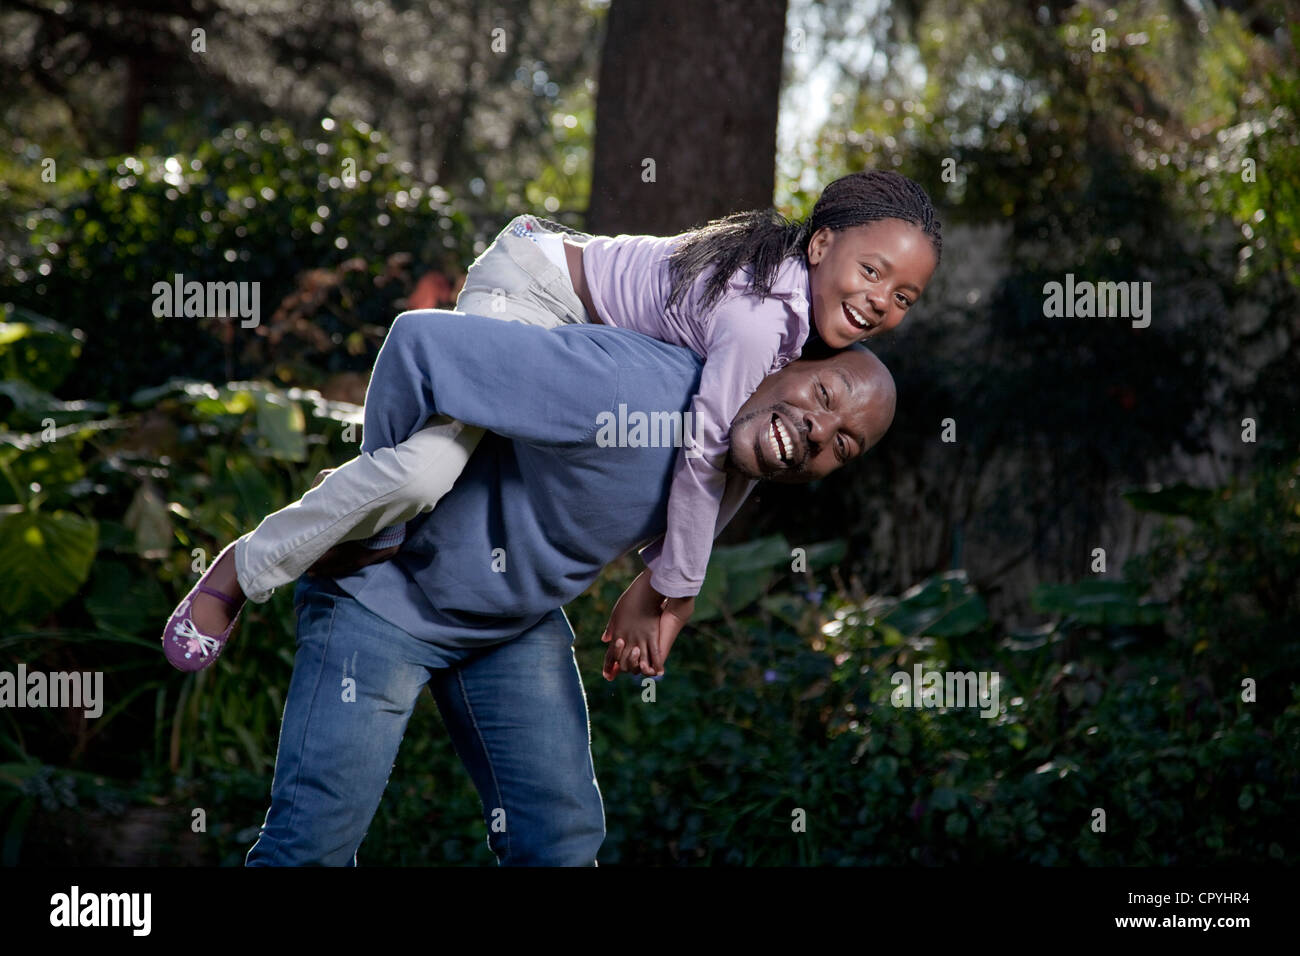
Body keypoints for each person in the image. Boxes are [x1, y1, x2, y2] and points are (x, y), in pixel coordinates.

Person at [162, 169, 940, 675]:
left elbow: (740, 451)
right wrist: (675, 585)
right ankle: (244, 569)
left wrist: (664, 578)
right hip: (533, 284)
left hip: (570, 316)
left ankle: (380, 519)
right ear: (824, 240)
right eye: (873, 272)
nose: (881, 300)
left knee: (456, 474)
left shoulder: (799, 336)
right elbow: (708, 448)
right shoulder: (758, 315)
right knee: (427, 471)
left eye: (903, 297)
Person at [240, 308, 897, 865]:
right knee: (312, 842)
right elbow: (421, 341)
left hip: (508, 624)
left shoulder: (748, 452)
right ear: (780, 359)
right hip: (381, 596)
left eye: (847, 445)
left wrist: (656, 585)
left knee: (560, 841)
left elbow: (673, 540)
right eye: (826, 396)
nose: (821, 432)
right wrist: (386, 511)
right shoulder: (634, 390)